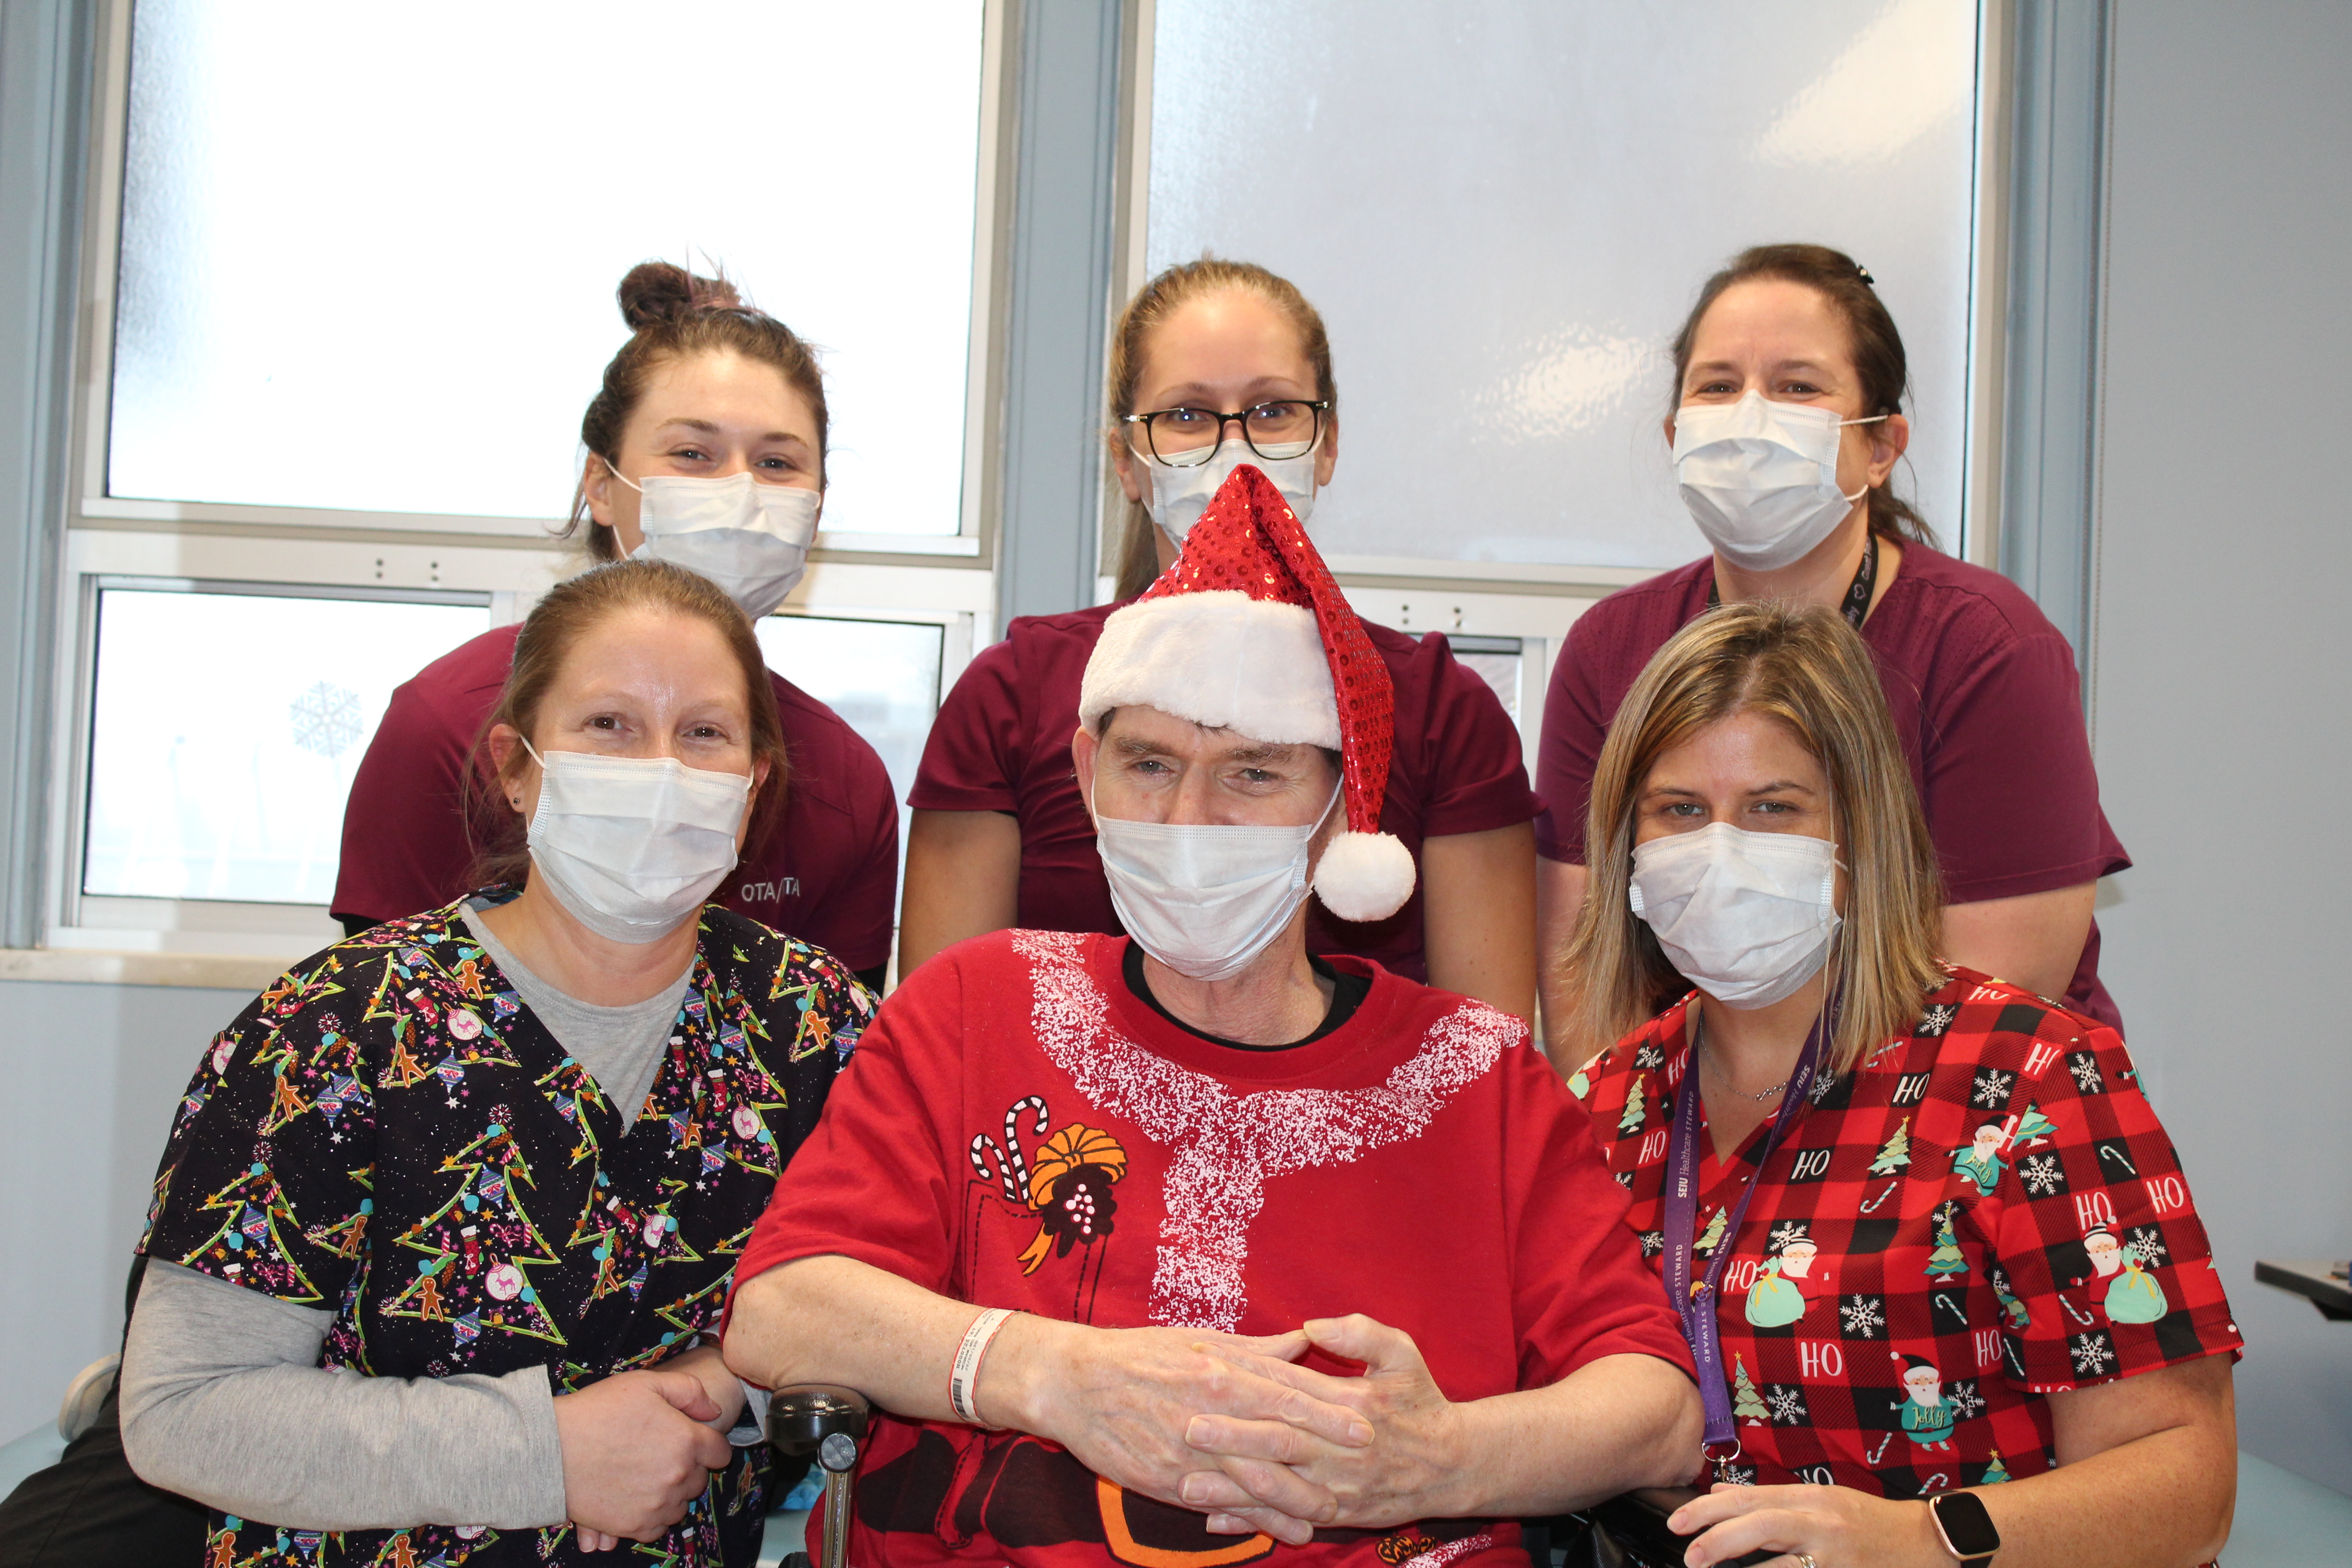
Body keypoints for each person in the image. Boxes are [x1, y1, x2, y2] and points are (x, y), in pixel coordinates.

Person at [722, 468, 1700, 1568]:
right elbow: (782, 1312)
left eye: (1253, 773)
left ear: (1342, 812)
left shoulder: (1478, 1076)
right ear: (1088, 772)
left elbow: (1656, 1411)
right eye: (1149, 765)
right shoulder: (975, 1005)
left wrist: (1441, 1461)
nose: (1188, 819)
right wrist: (1052, 1374)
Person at [114, 560, 874, 1567]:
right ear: (517, 769)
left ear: (754, 782)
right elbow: (184, 1410)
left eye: (703, 734)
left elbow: (891, 1292)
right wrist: (547, 1454)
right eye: (609, 725)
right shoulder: (337, 1028)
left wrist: (723, 1385)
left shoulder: (812, 1024)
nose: (659, 770)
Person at [1563, 601, 2238, 1568]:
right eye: (1679, 811)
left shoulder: (2028, 1078)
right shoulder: (1601, 1105)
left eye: (1772, 807)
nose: (1718, 848)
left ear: (1860, 835)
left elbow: (2188, 1492)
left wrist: (1914, 1540)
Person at [901, 258, 1537, 1018]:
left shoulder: (1440, 709)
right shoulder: (1014, 694)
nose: (1234, 452)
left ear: (1327, 443)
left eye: (1272, 412)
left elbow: (1484, 1060)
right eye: (1187, 416)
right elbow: (942, 1030)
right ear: (1126, 463)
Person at [1535, 242, 2127, 1056]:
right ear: (1678, 433)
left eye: (1797, 388)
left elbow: (1999, 996)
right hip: (1695, 1120)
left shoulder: (1987, 649)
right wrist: (1641, 1148)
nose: (1749, 416)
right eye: (1718, 386)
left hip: (1950, 1122)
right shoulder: (1613, 650)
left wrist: (1799, 1171)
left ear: (1881, 447)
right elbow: (1587, 982)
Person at [333, 262, 899, 990]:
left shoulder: (841, 783)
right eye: (693, 454)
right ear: (602, 485)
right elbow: (368, 1024)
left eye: (776, 462)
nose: (738, 490)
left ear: (817, 508)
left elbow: (832, 1063)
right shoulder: (446, 723)